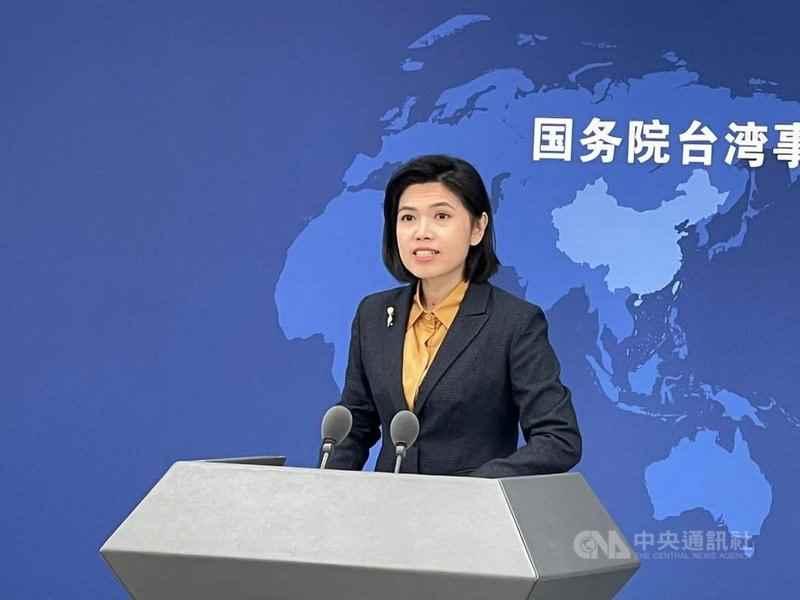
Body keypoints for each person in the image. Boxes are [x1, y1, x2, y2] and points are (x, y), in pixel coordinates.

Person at [325, 154, 581, 477]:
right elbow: (355, 423)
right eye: (407, 218)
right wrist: (323, 489)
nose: (421, 232)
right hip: (386, 505)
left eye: (441, 216)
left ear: (477, 228)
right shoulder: (373, 315)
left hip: (472, 505)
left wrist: (473, 488)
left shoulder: (514, 323)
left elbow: (558, 439)